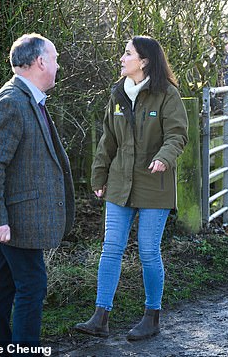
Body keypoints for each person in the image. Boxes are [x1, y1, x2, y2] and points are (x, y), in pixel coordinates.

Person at [74, 36, 188, 340]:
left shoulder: (167, 95)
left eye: (127, 54)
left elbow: (177, 135)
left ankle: (152, 317)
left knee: (149, 251)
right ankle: (100, 317)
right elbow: (107, 140)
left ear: (145, 61)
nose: (122, 59)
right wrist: (99, 177)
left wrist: (164, 158)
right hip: (120, 184)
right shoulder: (117, 94)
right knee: (111, 249)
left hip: (154, 184)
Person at [0, 33, 75, 347]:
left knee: (2, 287)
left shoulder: (27, 98)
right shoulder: (12, 102)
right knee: (32, 286)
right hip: (15, 218)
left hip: (16, 217)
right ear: (40, 61)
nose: (57, 65)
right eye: (54, 59)